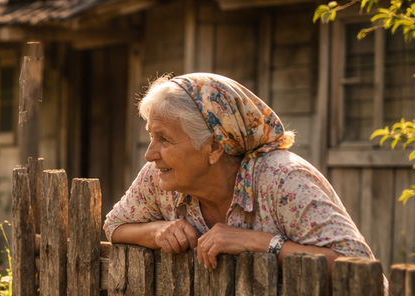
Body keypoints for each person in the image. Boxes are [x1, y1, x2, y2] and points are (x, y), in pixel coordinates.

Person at [105, 73, 375, 270]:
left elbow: (357, 267)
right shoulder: (160, 177)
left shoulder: (283, 179)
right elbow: (114, 226)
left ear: (213, 147)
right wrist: (156, 231)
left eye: (163, 139)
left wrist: (259, 242)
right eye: (151, 136)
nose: (149, 154)